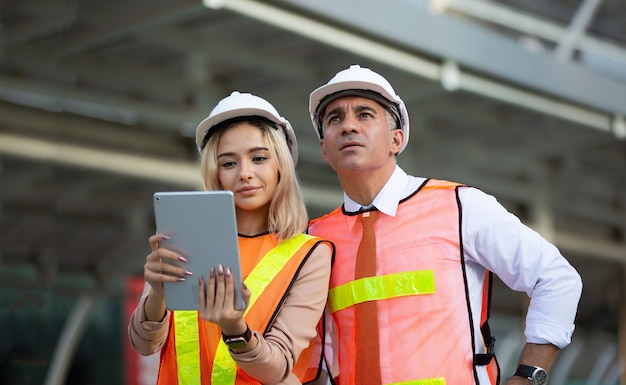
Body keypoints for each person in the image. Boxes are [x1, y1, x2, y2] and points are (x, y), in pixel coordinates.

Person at [306, 65, 582, 385]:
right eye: (334, 118)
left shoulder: (460, 205)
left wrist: (528, 376)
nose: (348, 126)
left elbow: (557, 278)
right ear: (324, 148)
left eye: (365, 114)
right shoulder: (314, 238)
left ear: (397, 139)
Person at [128, 91, 333, 385]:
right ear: (215, 172)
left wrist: (235, 328)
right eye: (228, 163)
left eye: (259, 158)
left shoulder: (310, 255)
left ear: (281, 165)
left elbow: (276, 369)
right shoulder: (185, 238)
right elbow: (144, 345)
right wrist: (158, 294)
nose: (245, 173)